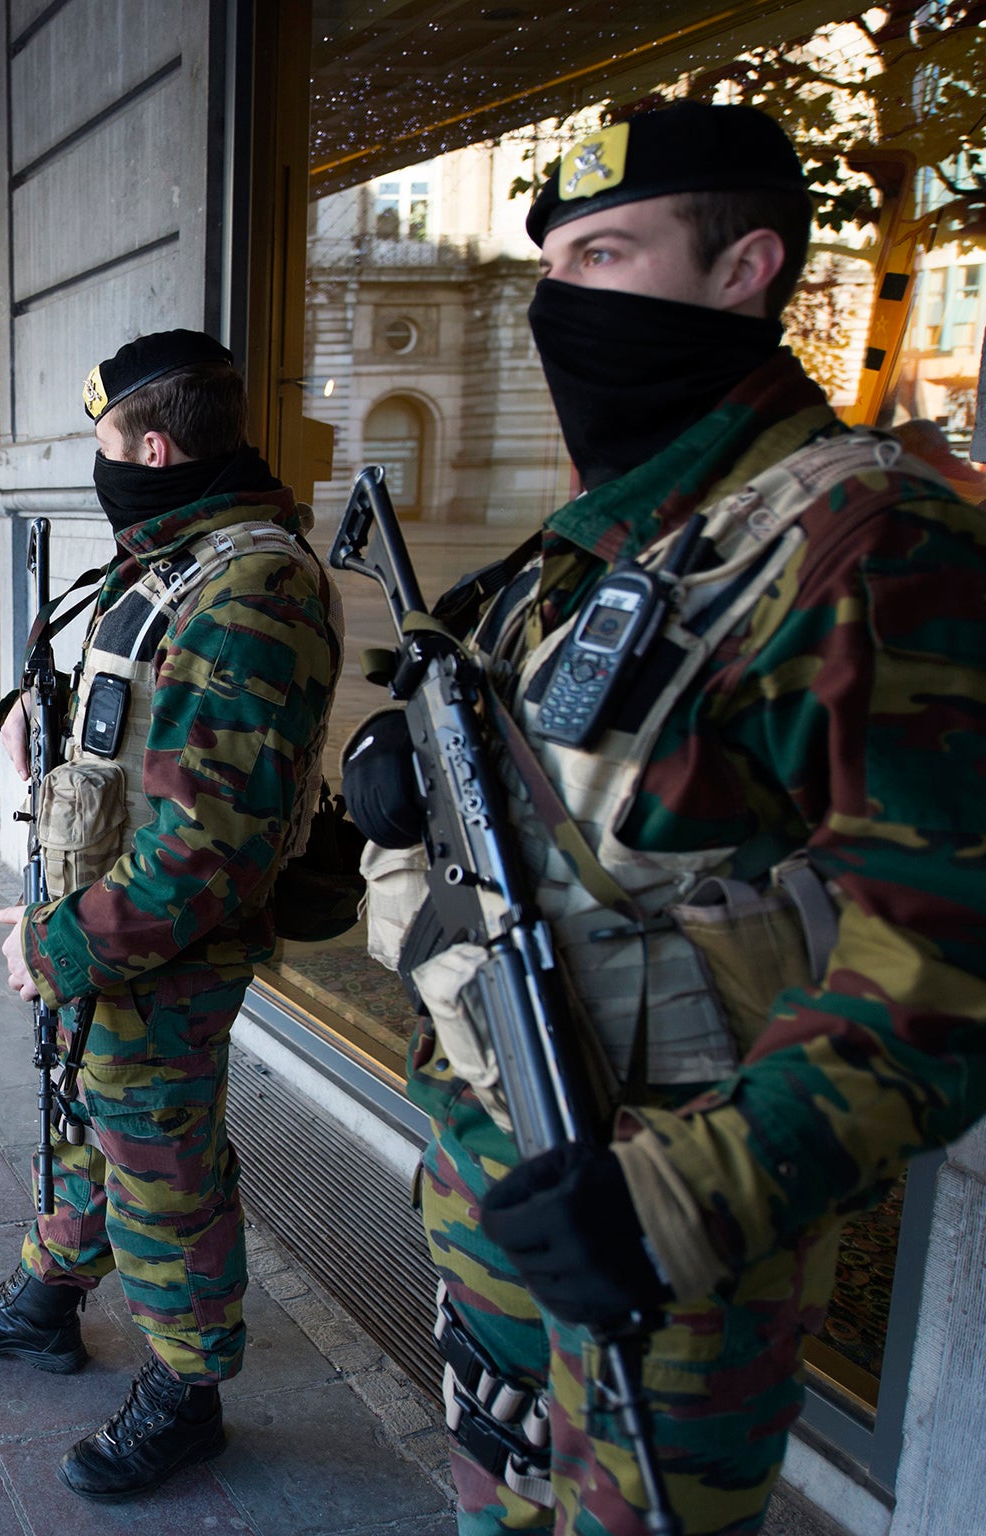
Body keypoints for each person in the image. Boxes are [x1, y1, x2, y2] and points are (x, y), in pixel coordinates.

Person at [350, 102, 986, 1535]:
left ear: (746, 267)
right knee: (494, 1500)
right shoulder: (578, 549)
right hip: (498, 1168)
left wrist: (679, 1203)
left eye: (610, 253)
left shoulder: (869, 542)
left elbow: (945, 958)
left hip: (676, 1223)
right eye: (556, 264)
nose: (564, 302)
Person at [0, 331, 341, 1501]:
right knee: (80, 1112)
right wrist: (25, 715)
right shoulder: (177, 550)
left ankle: (186, 1391)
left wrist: (53, 947)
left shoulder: (252, 584)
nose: (105, 466)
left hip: (160, 939)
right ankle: (49, 1301)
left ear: (150, 445)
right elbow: (126, 702)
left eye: (105, 444)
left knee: (161, 1159)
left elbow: (205, 859)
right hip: (98, 906)